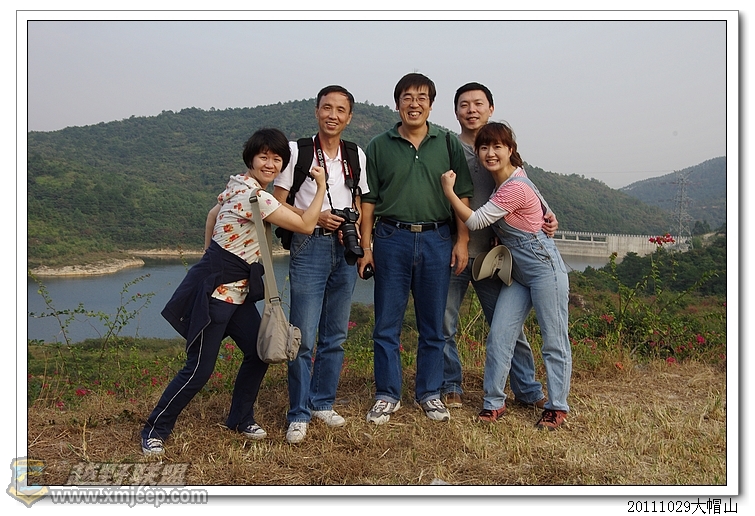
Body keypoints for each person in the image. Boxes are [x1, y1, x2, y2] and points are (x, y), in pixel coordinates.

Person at [141, 128, 327, 456]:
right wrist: (321, 186)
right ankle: (155, 429)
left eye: (277, 159)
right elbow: (307, 225)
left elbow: (212, 215)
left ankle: (240, 418)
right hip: (216, 296)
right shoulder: (256, 197)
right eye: (263, 157)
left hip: (238, 293)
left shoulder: (237, 186)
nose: (270, 164)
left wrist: (209, 255)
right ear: (251, 159)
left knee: (258, 352)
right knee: (198, 369)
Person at [358, 73, 474, 424]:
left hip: (437, 239)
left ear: (431, 105)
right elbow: (368, 201)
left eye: (422, 97)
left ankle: (429, 393)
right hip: (391, 238)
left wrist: (462, 241)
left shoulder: (447, 142)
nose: (414, 103)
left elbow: (462, 196)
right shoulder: (379, 145)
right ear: (397, 104)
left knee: (433, 324)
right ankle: (387, 394)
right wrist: (366, 247)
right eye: (407, 97)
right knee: (386, 323)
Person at [441, 122, 572, 430]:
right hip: (520, 273)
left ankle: (557, 407)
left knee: (554, 341)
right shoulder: (506, 181)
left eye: (497, 147)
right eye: (484, 148)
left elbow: (476, 221)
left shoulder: (514, 186)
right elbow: (542, 210)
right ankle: (493, 402)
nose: (490, 153)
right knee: (500, 336)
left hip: (544, 269)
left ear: (510, 150)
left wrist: (448, 191)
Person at [272, 85, 370, 444]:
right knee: (303, 335)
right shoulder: (297, 151)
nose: (333, 115)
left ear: (349, 117)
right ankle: (298, 413)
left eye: (341, 110)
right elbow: (277, 204)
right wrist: (314, 216)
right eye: (327, 108)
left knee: (335, 334)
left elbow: (362, 201)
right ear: (316, 111)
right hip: (309, 244)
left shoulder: (355, 154)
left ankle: (322, 402)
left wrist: (361, 239)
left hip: (345, 246)